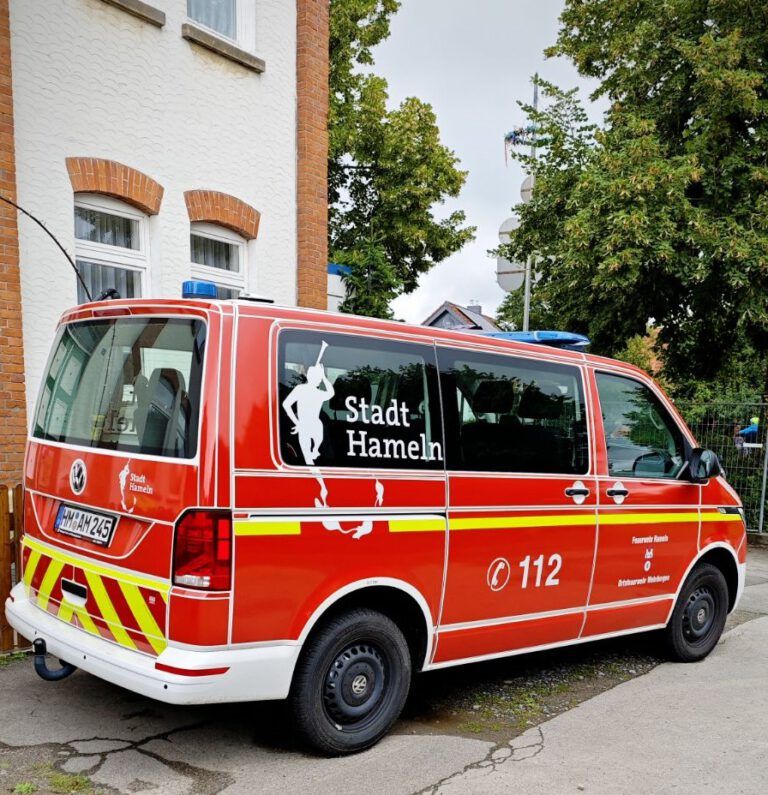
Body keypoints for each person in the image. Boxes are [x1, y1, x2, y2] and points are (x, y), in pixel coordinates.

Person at [282, 356, 335, 465]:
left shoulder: (305, 390)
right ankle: (314, 452)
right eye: (319, 378)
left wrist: (298, 423)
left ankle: (314, 451)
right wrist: (298, 423)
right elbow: (331, 393)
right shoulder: (304, 390)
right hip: (308, 426)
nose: (320, 380)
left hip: (310, 426)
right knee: (309, 459)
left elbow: (286, 404)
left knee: (310, 458)